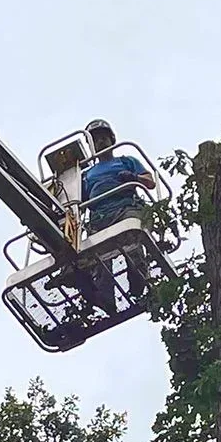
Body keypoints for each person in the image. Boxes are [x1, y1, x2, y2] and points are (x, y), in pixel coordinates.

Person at [81, 119, 156, 312]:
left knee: (132, 241)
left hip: (125, 207)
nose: (101, 142)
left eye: (104, 138)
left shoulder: (126, 161)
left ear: (112, 140)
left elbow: (150, 181)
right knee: (100, 258)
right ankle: (105, 299)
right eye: (96, 140)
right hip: (99, 217)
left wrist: (134, 178)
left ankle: (139, 281)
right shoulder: (86, 174)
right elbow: (76, 201)